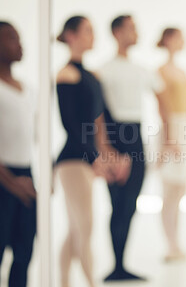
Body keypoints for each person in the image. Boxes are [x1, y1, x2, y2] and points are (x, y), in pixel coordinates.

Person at [55, 16, 130, 287]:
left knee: (77, 228)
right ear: (71, 35)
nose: (93, 35)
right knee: (84, 227)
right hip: (73, 160)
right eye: (87, 30)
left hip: (87, 159)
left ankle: (63, 281)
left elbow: (101, 123)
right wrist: (96, 157)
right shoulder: (66, 74)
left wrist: (110, 155)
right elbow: (72, 126)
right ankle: (90, 283)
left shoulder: (91, 75)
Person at [98, 15, 163, 281]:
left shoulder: (142, 70)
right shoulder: (103, 70)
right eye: (131, 28)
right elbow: (99, 115)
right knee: (118, 204)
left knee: (130, 204)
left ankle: (121, 265)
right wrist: (108, 151)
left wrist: (166, 136)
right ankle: (117, 266)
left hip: (135, 137)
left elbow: (163, 100)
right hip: (116, 137)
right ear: (116, 32)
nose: (136, 32)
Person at [156, 27, 186, 261]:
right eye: (180, 37)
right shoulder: (161, 71)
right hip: (170, 129)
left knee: (180, 190)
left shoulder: (182, 72)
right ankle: (170, 245)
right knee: (169, 190)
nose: (183, 41)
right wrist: (169, 139)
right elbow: (162, 107)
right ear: (170, 39)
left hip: (183, 129)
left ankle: (176, 243)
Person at [0, 21, 37, 287]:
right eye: (11, 38)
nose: (19, 44)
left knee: (25, 252)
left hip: (26, 174)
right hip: (4, 177)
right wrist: (11, 182)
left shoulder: (29, 89)